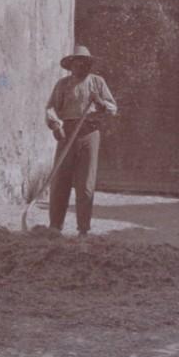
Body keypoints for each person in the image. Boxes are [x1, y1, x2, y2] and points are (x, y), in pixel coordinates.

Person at [44, 46, 118, 236]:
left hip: (89, 133)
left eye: (85, 63)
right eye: (77, 63)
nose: (81, 66)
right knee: (61, 181)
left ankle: (83, 229)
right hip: (67, 133)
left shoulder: (97, 82)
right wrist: (55, 126)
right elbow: (51, 108)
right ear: (71, 65)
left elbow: (113, 108)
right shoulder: (62, 84)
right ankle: (55, 227)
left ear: (89, 65)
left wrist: (100, 103)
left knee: (85, 184)